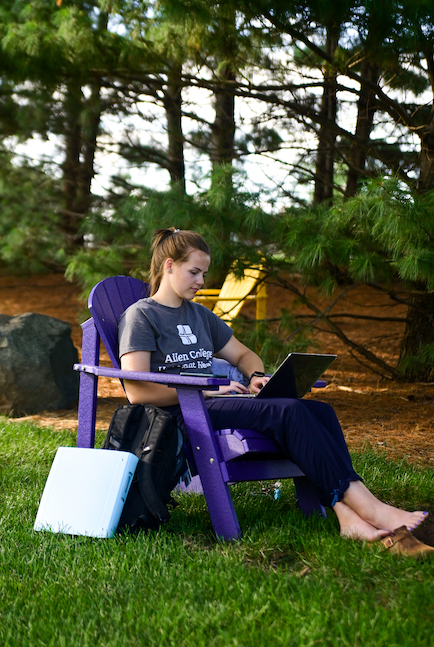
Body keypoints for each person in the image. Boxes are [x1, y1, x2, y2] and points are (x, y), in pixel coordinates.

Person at [118, 227, 428, 542]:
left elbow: (244, 354)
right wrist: (209, 389)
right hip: (181, 416)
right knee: (287, 413)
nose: (201, 281)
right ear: (169, 265)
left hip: (214, 403)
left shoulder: (199, 315)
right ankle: (372, 509)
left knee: (320, 412)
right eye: (194, 272)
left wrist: (255, 377)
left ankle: (347, 515)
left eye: (204, 273)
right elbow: (137, 392)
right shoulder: (140, 317)